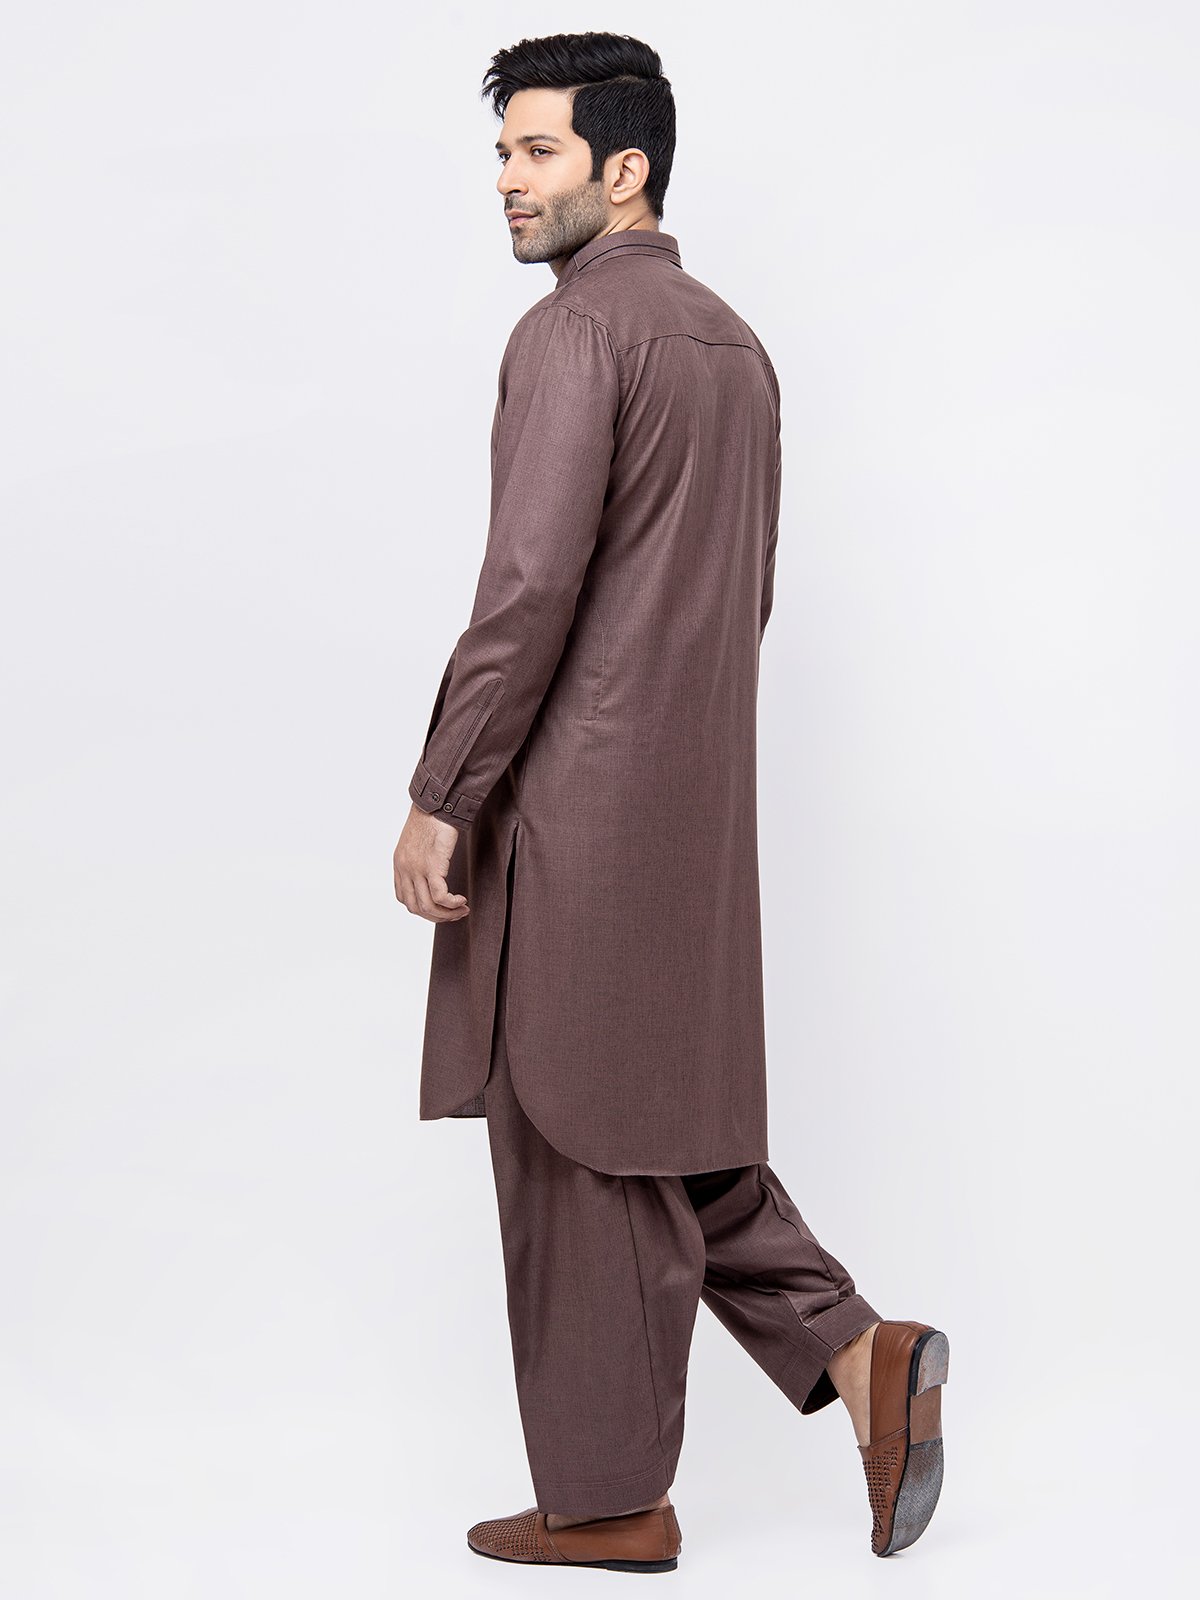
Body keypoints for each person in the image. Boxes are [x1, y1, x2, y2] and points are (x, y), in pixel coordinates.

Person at [392, 31, 949, 1573]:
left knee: (571, 1142)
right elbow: (740, 599)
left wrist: (444, 792)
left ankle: (608, 1502)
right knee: (647, 1120)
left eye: (539, 153)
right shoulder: (734, 346)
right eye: (502, 153)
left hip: (572, 810)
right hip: (690, 811)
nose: (508, 183)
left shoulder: (576, 335)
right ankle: (860, 1355)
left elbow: (527, 593)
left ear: (625, 169)